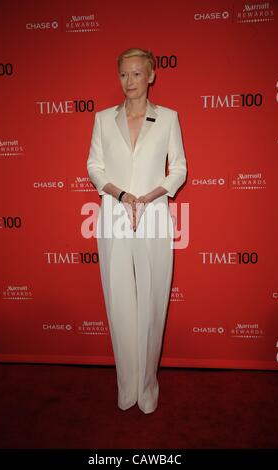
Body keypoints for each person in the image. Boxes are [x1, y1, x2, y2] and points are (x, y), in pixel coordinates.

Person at [87, 47, 187, 414]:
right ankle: (126, 387)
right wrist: (123, 195)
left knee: (153, 300)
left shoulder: (169, 118)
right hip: (114, 214)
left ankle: (148, 387)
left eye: (136, 74)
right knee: (119, 303)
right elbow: (94, 166)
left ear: (151, 75)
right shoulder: (102, 119)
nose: (129, 82)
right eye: (123, 75)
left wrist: (147, 197)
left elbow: (178, 169)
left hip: (154, 214)